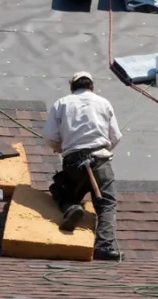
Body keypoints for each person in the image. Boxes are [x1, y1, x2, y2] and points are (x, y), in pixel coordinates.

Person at [43, 71, 123, 260]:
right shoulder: (103, 103)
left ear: (72, 87)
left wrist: (62, 148)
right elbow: (116, 137)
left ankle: (71, 207)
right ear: (92, 87)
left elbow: (49, 136)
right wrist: (103, 149)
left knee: (63, 194)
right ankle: (104, 246)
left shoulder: (61, 103)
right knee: (106, 203)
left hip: (73, 163)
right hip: (100, 160)